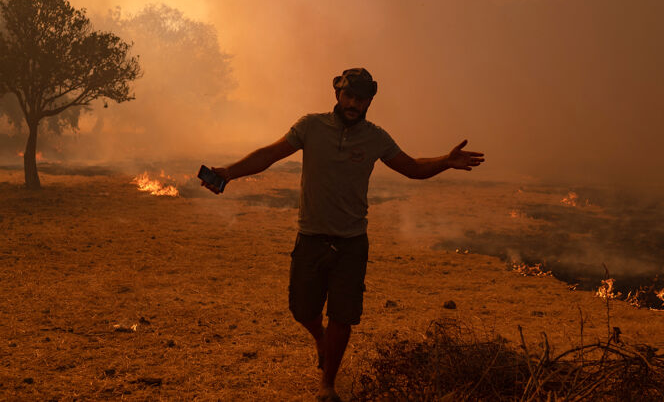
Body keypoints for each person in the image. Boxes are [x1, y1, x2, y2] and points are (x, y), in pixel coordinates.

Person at [201, 68, 484, 401]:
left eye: (361, 98)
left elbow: (413, 168)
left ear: (369, 102)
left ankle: (327, 384)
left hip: (351, 243)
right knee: (302, 311)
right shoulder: (310, 126)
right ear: (337, 94)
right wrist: (228, 173)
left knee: (342, 317)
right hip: (311, 237)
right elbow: (269, 154)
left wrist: (445, 161)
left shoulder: (376, 137)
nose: (353, 103)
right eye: (349, 95)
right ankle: (319, 337)